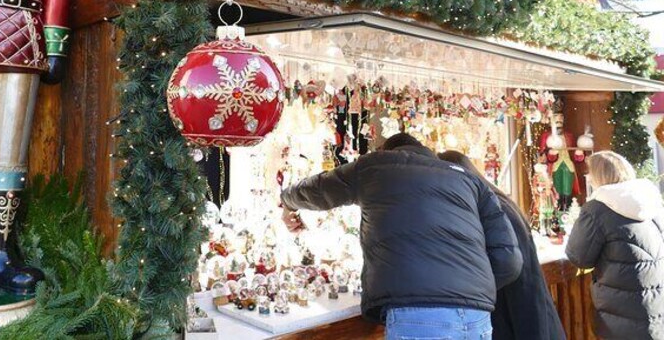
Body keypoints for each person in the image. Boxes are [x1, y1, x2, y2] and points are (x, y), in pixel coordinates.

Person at [281, 133, 522, 340]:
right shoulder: (470, 181)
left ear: (387, 151)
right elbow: (510, 261)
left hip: (419, 315)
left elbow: (319, 189)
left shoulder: (375, 167)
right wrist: (468, 287)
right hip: (477, 318)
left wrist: (286, 200)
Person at [438, 150, 565, 340]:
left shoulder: (490, 209)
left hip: (516, 317)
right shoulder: (497, 202)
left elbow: (514, 272)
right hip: (526, 314)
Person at [566, 151, 664, 340]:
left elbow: (579, 258)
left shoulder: (598, 209)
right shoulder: (651, 201)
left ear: (597, 177)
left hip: (622, 311)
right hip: (657, 307)